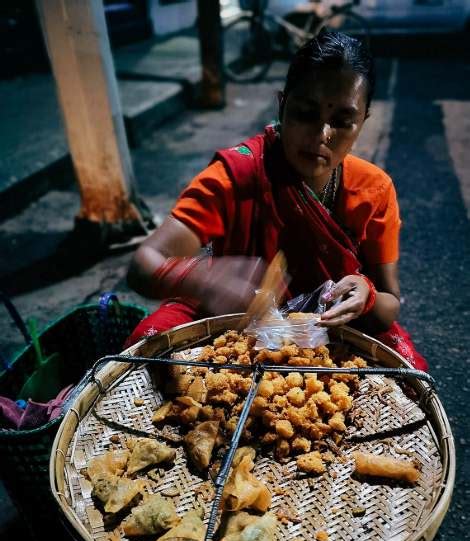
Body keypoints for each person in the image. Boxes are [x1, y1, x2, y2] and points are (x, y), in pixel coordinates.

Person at [126, 29, 427, 371]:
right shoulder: (239, 173)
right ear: (282, 105)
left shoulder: (373, 189)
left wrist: (365, 294)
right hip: (233, 321)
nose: (321, 135)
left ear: (362, 123)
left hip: (329, 331)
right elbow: (144, 263)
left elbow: (389, 305)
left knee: (404, 370)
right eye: (305, 114)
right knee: (147, 344)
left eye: (343, 121)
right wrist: (207, 279)